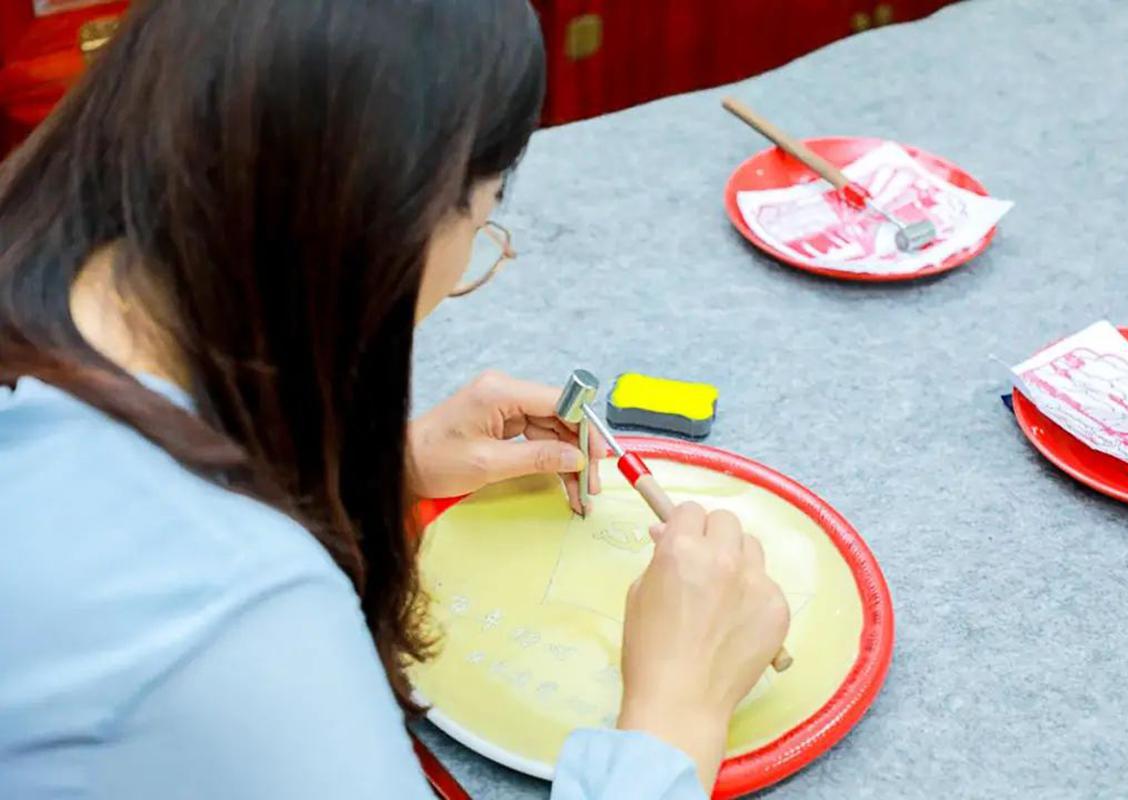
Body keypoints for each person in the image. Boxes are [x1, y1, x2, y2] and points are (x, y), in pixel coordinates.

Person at [0, 1, 789, 797]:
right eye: (487, 222)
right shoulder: (239, 618)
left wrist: (374, 471)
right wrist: (674, 715)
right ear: (388, 227)